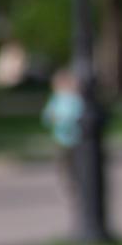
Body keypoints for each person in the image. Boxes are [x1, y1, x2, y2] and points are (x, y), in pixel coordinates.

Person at [40, 67, 83, 198]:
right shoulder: (56, 99)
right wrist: (53, 119)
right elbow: (47, 116)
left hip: (76, 138)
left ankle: (78, 182)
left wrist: (67, 121)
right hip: (61, 139)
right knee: (63, 164)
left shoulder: (76, 99)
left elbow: (79, 114)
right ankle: (68, 183)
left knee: (77, 163)